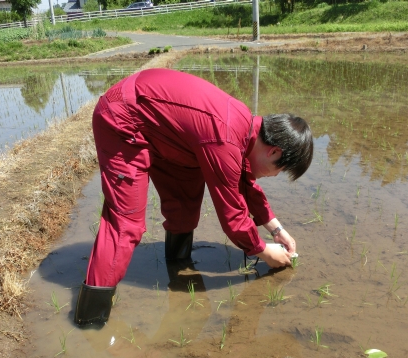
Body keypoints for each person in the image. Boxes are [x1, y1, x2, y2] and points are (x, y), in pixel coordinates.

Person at [74, 68, 313, 325]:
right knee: (126, 223)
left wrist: (276, 229)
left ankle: (177, 266)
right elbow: (232, 214)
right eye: (280, 170)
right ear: (274, 152)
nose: (275, 176)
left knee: (184, 206)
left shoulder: (244, 128)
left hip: (163, 131)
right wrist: (264, 252)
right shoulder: (225, 137)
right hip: (123, 117)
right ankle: (90, 317)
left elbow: (242, 179)